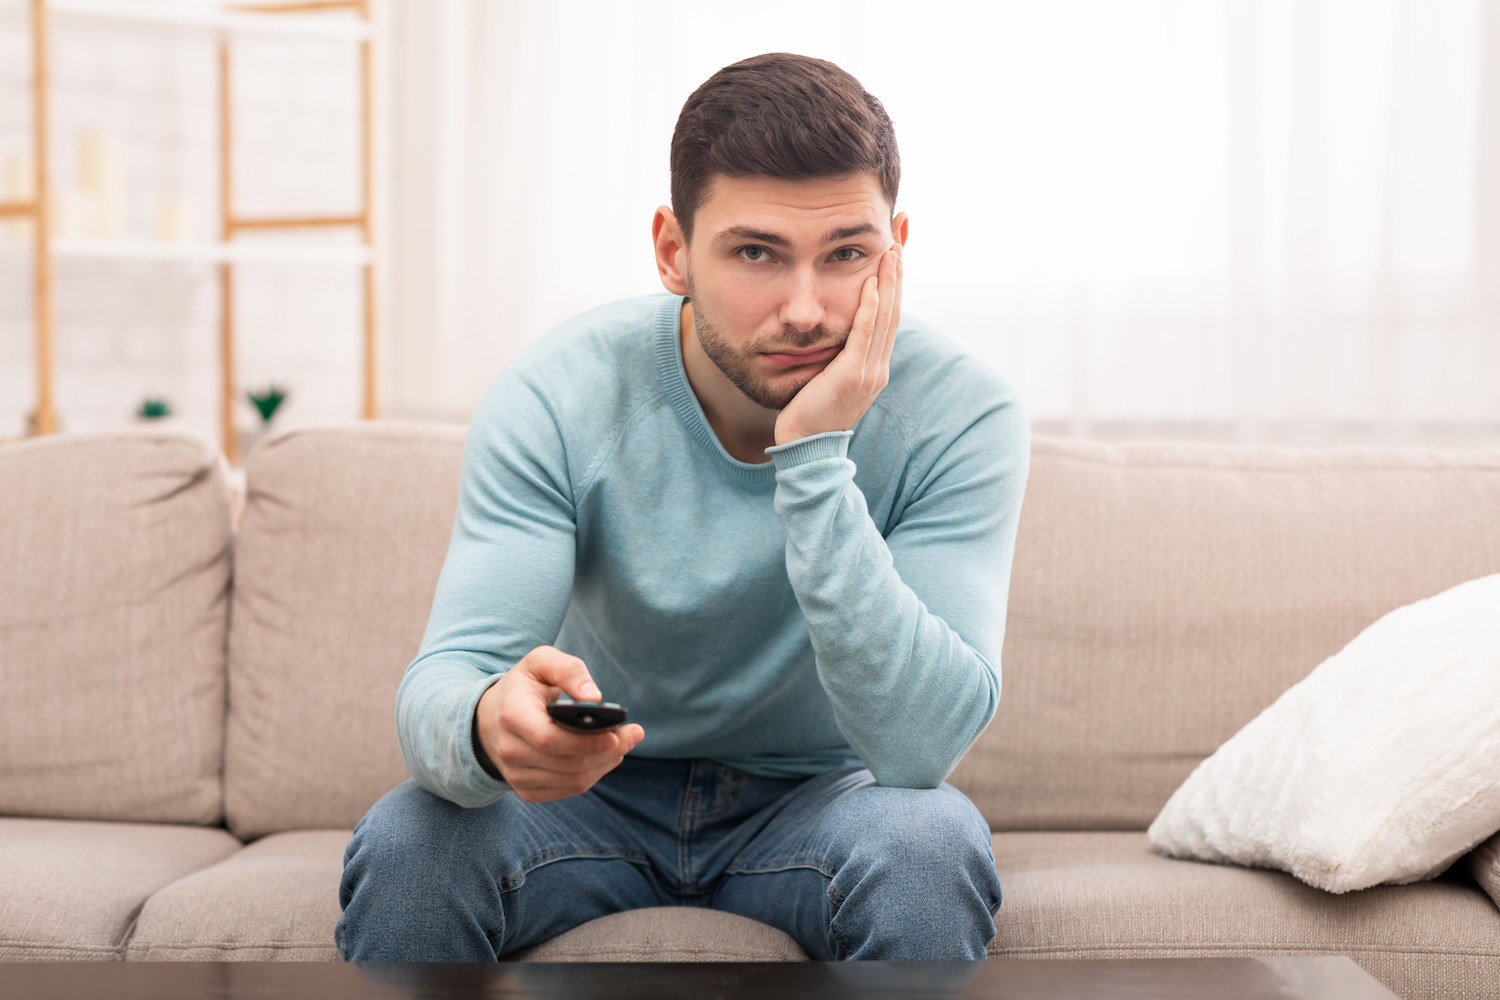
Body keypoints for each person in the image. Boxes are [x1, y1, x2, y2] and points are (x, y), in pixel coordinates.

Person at [337, 51, 1029, 962]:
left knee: (927, 845)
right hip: (595, 794)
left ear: (895, 252)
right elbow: (446, 677)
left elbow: (919, 750)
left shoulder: (962, 415)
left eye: (848, 255)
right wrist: (485, 727)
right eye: (755, 253)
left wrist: (814, 457)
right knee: (413, 840)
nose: (807, 310)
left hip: (824, 800)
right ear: (673, 251)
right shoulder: (560, 393)